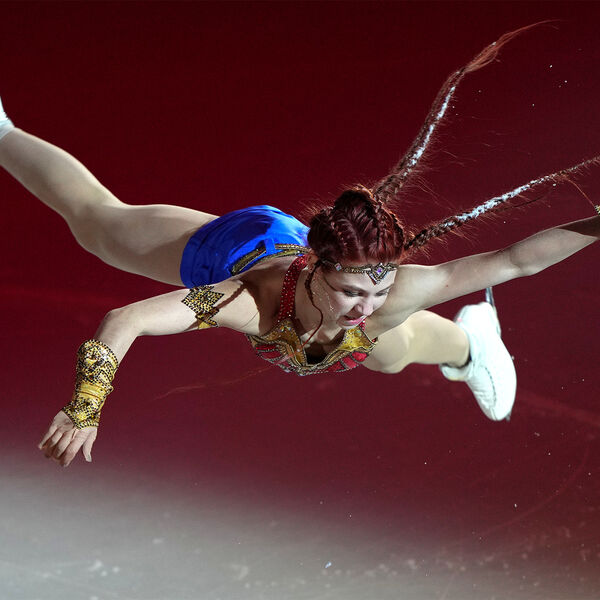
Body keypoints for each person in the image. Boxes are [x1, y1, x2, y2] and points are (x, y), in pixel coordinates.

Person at [1, 28, 598, 467]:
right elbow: (125, 320)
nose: (365, 304)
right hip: (235, 246)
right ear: (315, 268)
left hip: (326, 290)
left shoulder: (385, 296)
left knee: (390, 350)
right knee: (97, 224)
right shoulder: (242, 301)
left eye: (378, 289)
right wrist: (84, 408)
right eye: (351, 291)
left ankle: (474, 342)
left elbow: (515, 261)